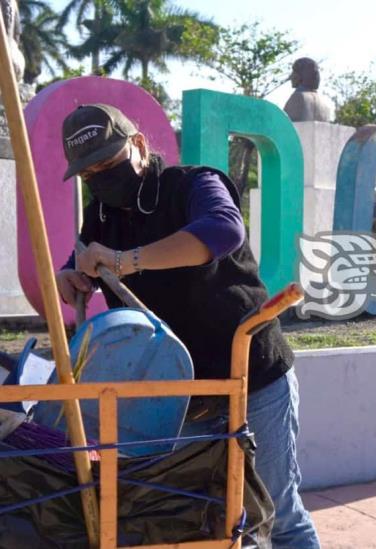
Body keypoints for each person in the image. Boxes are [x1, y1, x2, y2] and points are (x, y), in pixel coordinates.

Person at [55, 103, 321, 548]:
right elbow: (82, 257)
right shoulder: (102, 214)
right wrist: (72, 274)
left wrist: (125, 262)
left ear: (138, 145)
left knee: (278, 513)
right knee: (218, 520)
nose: (100, 179)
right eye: (89, 173)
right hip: (183, 399)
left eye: (108, 164)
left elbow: (222, 232)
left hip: (252, 377)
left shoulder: (195, 183)